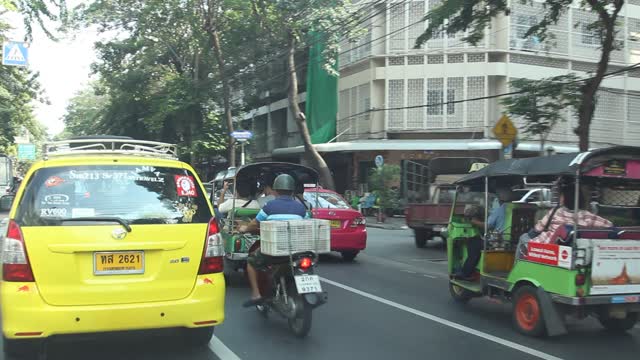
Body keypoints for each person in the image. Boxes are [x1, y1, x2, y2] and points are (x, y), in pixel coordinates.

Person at [238, 174, 308, 306]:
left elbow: (254, 224)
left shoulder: (269, 206)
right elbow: (307, 223)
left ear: (275, 190)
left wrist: (244, 229)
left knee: (251, 262)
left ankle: (256, 294)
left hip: (275, 252)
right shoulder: (301, 208)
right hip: (297, 251)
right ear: (292, 190)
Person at [517, 178, 613, 258]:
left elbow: (538, 229)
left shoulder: (556, 212)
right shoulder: (587, 216)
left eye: (562, 196)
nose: (560, 198)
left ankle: (516, 269)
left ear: (566, 198)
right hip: (575, 248)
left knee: (523, 238)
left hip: (548, 248)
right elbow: (609, 225)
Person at [455, 186, 512, 281]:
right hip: (511, 240)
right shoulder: (515, 207)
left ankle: (465, 273)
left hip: (499, 241)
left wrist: (474, 222)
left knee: (473, 243)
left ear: (500, 198)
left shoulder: (500, 210)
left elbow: (487, 225)